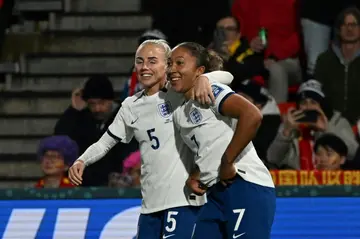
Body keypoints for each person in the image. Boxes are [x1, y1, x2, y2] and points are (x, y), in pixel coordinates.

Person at [68, 39, 234, 239]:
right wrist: (82, 160)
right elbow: (105, 142)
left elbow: (227, 75)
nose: (144, 67)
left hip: (182, 200)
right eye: (140, 61)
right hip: (150, 205)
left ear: (167, 65)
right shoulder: (131, 105)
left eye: (152, 61)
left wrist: (205, 79)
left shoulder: (181, 93)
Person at [169, 42, 275, 238]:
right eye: (170, 64)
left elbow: (252, 115)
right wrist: (198, 173)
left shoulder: (211, 90)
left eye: (179, 63)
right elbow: (211, 144)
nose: (172, 69)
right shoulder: (181, 111)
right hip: (216, 192)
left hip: (245, 183)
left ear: (199, 70)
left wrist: (227, 161)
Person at [54, 75, 139, 186]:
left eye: (102, 103)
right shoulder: (80, 118)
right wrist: (73, 110)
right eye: (92, 104)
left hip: (117, 187)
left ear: (111, 100)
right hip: (84, 186)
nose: (97, 108)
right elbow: (59, 139)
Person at [267, 80, 358, 169]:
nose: (308, 107)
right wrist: (286, 132)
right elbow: (272, 159)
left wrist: (327, 130)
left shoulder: (338, 122)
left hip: (331, 179)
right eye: (303, 103)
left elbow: (353, 154)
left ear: (323, 106)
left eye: (313, 103)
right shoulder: (291, 124)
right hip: (297, 179)